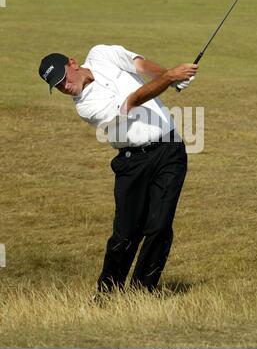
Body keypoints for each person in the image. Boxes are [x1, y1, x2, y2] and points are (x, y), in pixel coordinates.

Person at [38, 44, 198, 295]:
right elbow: (132, 102)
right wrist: (169, 78)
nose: (64, 87)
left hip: (170, 150)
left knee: (159, 226)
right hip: (132, 162)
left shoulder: (101, 53)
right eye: (57, 87)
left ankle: (142, 293)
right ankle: (107, 293)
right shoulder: (85, 107)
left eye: (63, 79)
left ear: (73, 63)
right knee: (125, 233)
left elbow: (140, 65)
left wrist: (168, 75)